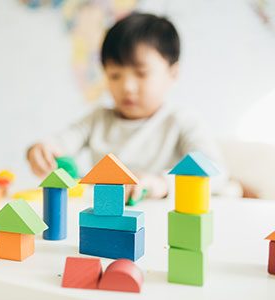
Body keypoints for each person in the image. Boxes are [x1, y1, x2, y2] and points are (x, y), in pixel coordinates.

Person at [27, 12, 226, 200]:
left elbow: (215, 173)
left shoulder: (181, 121)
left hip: (163, 223)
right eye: (115, 76)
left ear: (172, 74)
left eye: (141, 74)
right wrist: (42, 150)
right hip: (107, 220)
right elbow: (60, 142)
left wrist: (163, 183)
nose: (127, 87)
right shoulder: (97, 119)